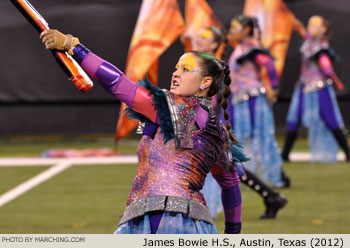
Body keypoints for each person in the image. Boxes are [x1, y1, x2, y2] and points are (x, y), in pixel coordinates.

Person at [40, 29, 249, 234]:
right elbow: (230, 184)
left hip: (163, 220)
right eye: (176, 68)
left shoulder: (173, 108)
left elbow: (118, 83)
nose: (176, 73)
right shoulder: (218, 130)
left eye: (186, 69)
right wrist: (232, 232)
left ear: (206, 82)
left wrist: (74, 47)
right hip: (192, 224)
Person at [191, 26, 288, 219]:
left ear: (215, 44)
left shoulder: (213, 67)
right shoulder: (202, 64)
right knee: (227, 165)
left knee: (225, 165)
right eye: (199, 36)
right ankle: (271, 196)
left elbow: (209, 98)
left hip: (207, 123)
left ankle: (270, 196)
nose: (200, 39)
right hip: (203, 122)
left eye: (206, 37)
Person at [224, 15, 290, 207]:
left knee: (258, 137)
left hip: (251, 99)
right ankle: (255, 175)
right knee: (242, 138)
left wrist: (275, 88)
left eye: (235, 27)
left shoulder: (251, 47)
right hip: (240, 99)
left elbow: (268, 64)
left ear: (245, 30)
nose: (232, 30)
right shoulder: (241, 48)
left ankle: (275, 175)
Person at [281, 15, 349, 162]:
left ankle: (348, 153)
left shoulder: (321, 47)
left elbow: (327, 67)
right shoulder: (309, 43)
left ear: (323, 29)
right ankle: (285, 154)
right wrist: (297, 25)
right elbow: (304, 33)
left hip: (319, 88)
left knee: (331, 120)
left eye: (314, 25)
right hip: (303, 88)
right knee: (293, 119)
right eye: (309, 24)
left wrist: (336, 81)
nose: (310, 27)